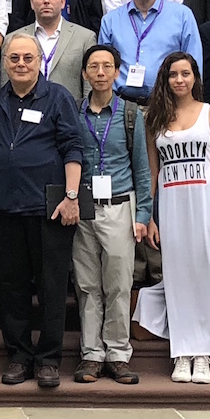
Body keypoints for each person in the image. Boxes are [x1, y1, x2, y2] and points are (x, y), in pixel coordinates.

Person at [0, 34, 84, 389]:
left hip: (50, 210)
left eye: (28, 57)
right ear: (5, 63)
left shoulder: (58, 97)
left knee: (51, 287)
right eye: (14, 58)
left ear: (40, 61)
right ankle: (19, 356)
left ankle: (49, 360)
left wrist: (71, 196)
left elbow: (73, 147)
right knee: (11, 288)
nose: (21, 64)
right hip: (5, 210)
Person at [139, 53, 210, 383]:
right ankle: (181, 351)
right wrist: (150, 217)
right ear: (165, 80)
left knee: (205, 272)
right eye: (173, 75)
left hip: (205, 202)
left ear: (195, 78)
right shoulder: (154, 117)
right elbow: (152, 172)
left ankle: (203, 353)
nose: (179, 80)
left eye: (185, 74)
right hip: (171, 204)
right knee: (176, 275)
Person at [72, 44, 152, 384]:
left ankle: (118, 354)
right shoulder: (74, 112)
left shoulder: (130, 114)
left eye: (107, 66)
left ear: (117, 72)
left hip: (120, 204)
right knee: (88, 284)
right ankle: (91, 354)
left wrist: (143, 214)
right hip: (83, 206)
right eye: (94, 66)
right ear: (85, 73)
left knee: (119, 284)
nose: (101, 72)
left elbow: (142, 167)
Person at [96, 0, 202, 104]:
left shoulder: (182, 16)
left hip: (168, 103)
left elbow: (194, 63)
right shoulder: (110, 20)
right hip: (121, 104)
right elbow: (103, 64)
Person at [3, 0, 96, 104]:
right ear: (32, 3)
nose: (46, 1)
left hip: (68, 112)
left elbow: (89, 88)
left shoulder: (85, 38)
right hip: (23, 111)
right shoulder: (12, 40)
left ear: (63, 2)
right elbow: (4, 87)